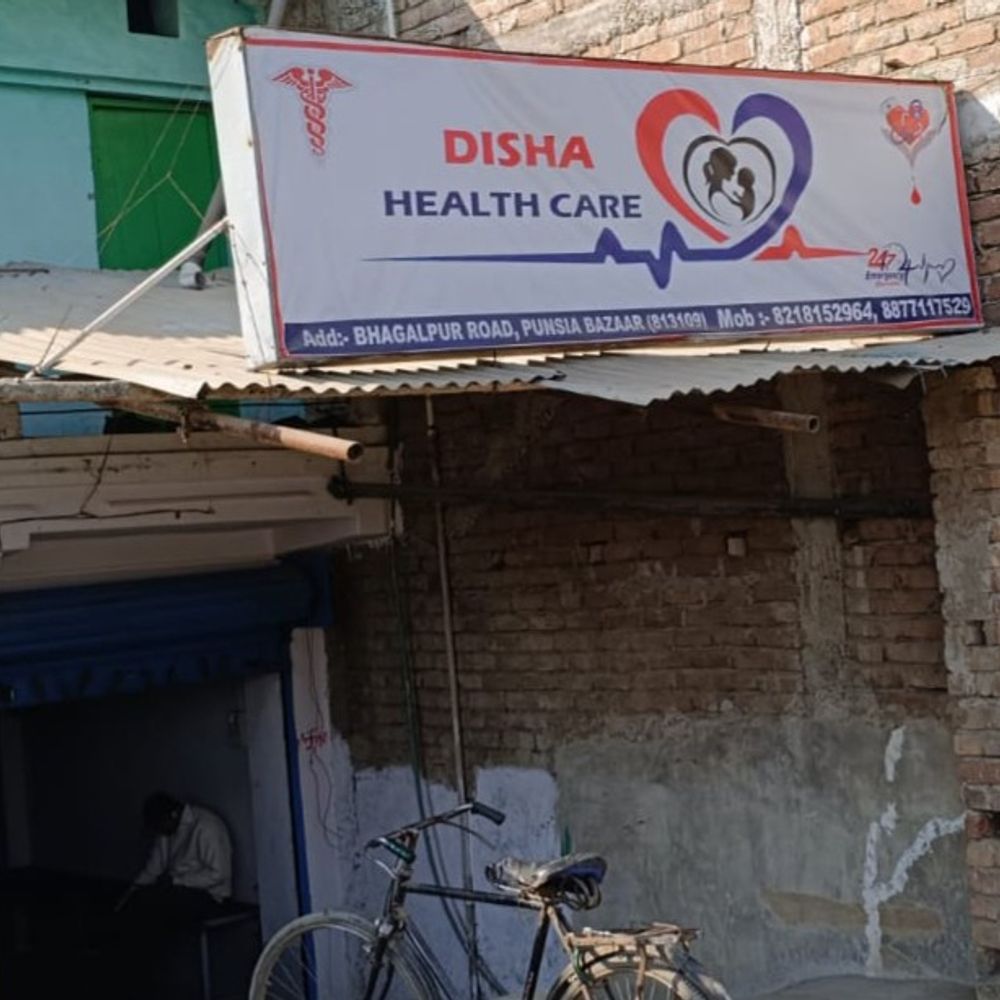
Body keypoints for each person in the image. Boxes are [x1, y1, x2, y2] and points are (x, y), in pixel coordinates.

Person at [113, 792, 233, 998]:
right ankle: (141, 977)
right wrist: (130, 894)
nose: (160, 833)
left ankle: (160, 981)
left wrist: (179, 881)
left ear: (173, 815)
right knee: (142, 907)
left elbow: (219, 874)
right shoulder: (167, 831)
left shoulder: (207, 826)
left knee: (157, 912)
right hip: (177, 890)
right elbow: (153, 868)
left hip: (209, 896)